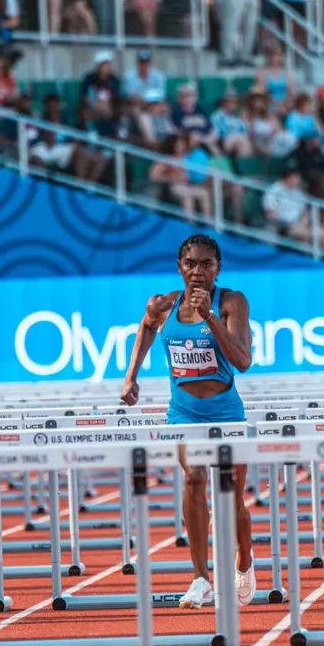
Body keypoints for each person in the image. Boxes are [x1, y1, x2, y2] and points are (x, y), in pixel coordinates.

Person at [120, 234, 255, 610]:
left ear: (218, 268)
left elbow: (242, 361)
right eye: (191, 264)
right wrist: (132, 375)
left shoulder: (231, 302)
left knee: (232, 501)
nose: (198, 272)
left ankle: (244, 560)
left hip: (226, 412)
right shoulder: (162, 305)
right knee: (193, 477)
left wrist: (210, 316)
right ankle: (201, 579)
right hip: (183, 412)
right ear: (180, 267)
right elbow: (147, 326)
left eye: (207, 264)